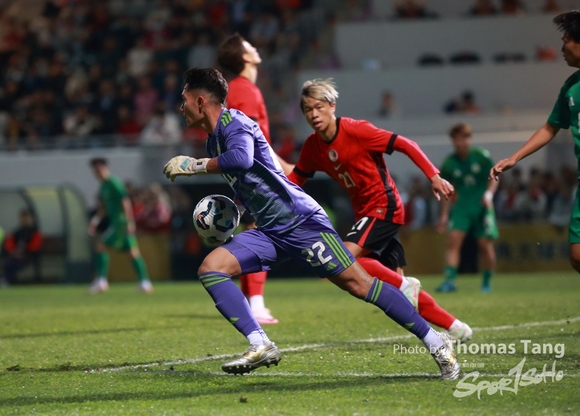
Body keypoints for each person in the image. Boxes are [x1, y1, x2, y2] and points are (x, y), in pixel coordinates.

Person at [162, 67, 461, 379]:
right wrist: (231, 212)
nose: (181, 107)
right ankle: (260, 343)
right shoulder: (214, 142)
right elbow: (252, 179)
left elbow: (242, 159)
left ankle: (435, 340)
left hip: (301, 222)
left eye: (184, 100)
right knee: (211, 269)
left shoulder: (234, 123)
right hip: (269, 230)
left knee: (361, 285)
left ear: (200, 102)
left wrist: (193, 165)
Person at [287, 79, 472, 342]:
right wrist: (271, 203)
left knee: (342, 261)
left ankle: (405, 286)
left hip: (384, 206)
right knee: (400, 294)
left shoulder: (357, 130)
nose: (314, 114)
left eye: (319, 107)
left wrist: (433, 175)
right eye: (308, 110)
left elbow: (406, 144)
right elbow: (295, 180)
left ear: (332, 106)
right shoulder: (313, 147)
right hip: (365, 216)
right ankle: (456, 328)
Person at [491, 11, 580, 273]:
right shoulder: (571, 86)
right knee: (577, 255)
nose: (562, 48)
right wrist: (514, 158)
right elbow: (550, 127)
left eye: (566, 40)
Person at [216, 33, 279, 324]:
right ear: (245, 57)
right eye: (250, 46)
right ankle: (255, 303)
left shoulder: (240, 89)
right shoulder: (245, 90)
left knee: (255, 233)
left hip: (252, 173)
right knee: (260, 234)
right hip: (256, 176)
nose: (255, 48)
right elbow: (245, 139)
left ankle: (250, 301)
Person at [437, 123, 499, 293]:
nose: (461, 142)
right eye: (457, 139)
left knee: (485, 245)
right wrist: (444, 215)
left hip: (481, 205)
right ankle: (449, 281)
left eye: (464, 138)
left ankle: (486, 282)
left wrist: (489, 194)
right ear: (453, 141)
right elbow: (445, 190)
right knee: (453, 242)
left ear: (469, 139)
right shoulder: (449, 163)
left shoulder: (481, 156)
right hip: (461, 207)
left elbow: (494, 177)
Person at [87, 158, 153, 294]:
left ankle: (101, 282)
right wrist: (95, 222)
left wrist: (129, 221)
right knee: (132, 252)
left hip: (120, 223)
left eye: (98, 170)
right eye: (95, 171)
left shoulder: (114, 183)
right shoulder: (103, 187)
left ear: (105, 168)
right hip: (117, 223)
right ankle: (145, 283)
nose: (96, 173)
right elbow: (103, 208)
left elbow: (125, 201)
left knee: (101, 245)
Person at [1, 209, 43, 286]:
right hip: (15, 255)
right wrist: (13, 252)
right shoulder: (17, 231)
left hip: (29, 256)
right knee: (8, 262)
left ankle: (6, 280)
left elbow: (35, 246)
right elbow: (9, 243)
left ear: (31, 219)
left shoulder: (35, 232)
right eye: (23, 218)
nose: (25, 220)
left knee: (15, 264)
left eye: (27, 218)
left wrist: (23, 253)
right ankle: (6, 280)